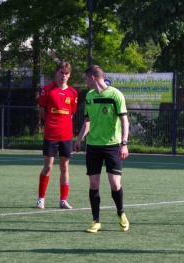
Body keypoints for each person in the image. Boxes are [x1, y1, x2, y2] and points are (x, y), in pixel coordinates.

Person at [74, 65, 130, 233]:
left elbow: (124, 121)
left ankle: (121, 213)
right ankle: (96, 221)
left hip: (112, 146)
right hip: (93, 147)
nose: (84, 82)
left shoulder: (115, 95)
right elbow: (87, 121)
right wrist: (78, 139)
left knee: (114, 183)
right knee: (93, 183)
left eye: (85, 79)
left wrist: (124, 143)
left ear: (92, 78)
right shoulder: (90, 97)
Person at [36, 61, 78, 209]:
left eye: (66, 73)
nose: (64, 76)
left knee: (65, 167)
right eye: (61, 72)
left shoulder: (73, 92)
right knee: (48, 167)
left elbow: (72, 113)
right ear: (56, 73)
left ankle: (63, 200)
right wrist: (52, 122)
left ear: (69, 75)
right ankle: (41, 199)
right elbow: (42, 111)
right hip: (51, 135)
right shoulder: (46, 90)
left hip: (66, 135)